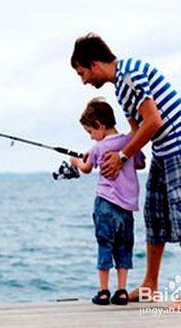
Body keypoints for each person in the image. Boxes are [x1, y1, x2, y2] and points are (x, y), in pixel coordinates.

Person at [70, 33, 181, 309]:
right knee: (154, 216)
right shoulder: (121, 88)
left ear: (95, 64)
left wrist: (122, 157)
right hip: (163, 151)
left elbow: (153, 121)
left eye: (82, 72)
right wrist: (102, 152)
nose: (83, 80)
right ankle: (150, 286)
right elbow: (134, 132)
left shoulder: (130, 75)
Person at [70, 98, 145, 306]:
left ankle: (103, 291)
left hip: (105, 205)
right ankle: (121, 291)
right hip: (126, 208)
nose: (92, 138)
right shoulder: (129, 142)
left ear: (100, 126)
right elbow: (140, 162)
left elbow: (85, 168)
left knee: (104, 245)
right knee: (124, 247)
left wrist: (74, 160)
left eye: (90, 132)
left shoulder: (98, 147)